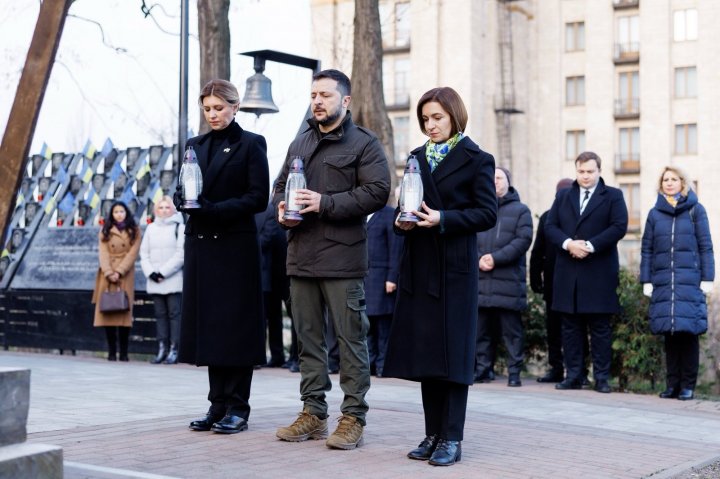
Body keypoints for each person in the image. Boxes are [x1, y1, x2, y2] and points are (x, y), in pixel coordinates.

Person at [273, 69, 390, 450]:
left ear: (346, 100)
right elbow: (280, 185)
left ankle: (353, 417)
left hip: (343, 259)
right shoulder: (301, 140)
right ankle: (314, 413)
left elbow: (378, 192)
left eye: (325, 94)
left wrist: (326, 203)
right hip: (301, 256)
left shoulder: (364, 143)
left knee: (351, 340)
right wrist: (280, 207)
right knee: (308, 341)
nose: (318, 101)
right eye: (313, 95)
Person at [384, 87, 497, 466]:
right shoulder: (416, 158)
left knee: (454, 356)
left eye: (437, 118)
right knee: (427, 353)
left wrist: (443, 219)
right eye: (426, 119)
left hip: (455, 270)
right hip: (419, 267)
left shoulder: (477, 158)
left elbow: (486, 213)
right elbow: (407, 206)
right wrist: (404, 220)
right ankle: (432, 433)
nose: (430, 125)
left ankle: (452, 437)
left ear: (454, 117)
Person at [176, 79, 269, 434]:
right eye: (207, 109)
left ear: (234, 106)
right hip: (202, 247)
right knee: (211, 329)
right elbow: (182, 187)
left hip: (234, 247)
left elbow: (257, 197)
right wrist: (181, 198)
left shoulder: (250, 143)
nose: (213, 115)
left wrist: (214, 210)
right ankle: (217, 404)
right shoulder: (194, 145)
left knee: (235, 329)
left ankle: (238, 408)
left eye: (219, 108)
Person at [545, 151, 628, 394]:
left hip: (599, 272)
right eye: (581, 172)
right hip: (568, 272)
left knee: (600, 329)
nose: (585, 176)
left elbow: (619, 226)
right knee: (570, 328)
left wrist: (590, 246)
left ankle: (601, 378)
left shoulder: (613, 195)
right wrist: (568, 244)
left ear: (599, 171)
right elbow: (550, 226)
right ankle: (574, 375)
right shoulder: (563, 196)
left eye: (590, 172)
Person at [640, 166, 714, 401]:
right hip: (663, 282)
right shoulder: (655, 214)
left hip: (689, 282)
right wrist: (646, 280)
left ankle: (687, 386)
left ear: (683, 183)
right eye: (665, 180)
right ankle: (672, 384)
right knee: (669, 335)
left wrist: (708, 278)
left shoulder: (696, 210)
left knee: (688, 334)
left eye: (674, 179)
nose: (669, 183)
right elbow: (647, 249)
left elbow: (706, 245)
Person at [475, 167, 533, 387]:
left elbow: (522, 240)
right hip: (481, 281)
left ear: (508, 181)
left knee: (512, 333)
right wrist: (479, 258)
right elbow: (468, 238)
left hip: (507, 282)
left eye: (499, 178)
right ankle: (483, 370)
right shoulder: (480, 209)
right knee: (480, 332)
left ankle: (514, 373)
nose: (495, 182)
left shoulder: (521, 211)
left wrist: (495, 258)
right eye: (491, 178)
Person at [530, 177, 574, 383]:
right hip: (552, 283)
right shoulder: (548, 217)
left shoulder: (578, 217)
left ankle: (576, 371)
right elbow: (537, 250)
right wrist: (534, 278)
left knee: (574, 328)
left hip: (574, 284)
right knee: (553, 328)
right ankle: (556, 368)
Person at [91, 201, 141, 362]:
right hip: (107, 275)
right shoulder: (105, 231)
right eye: (116, 212)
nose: (119, 214)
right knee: (108, 311)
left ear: (126, 213)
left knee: (123, 313)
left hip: (124, 274)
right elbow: (103, 253)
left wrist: (119, 271)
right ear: (111, 214)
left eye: (122, 211)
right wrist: (108, 272)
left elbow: (133, 253)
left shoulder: (134, 230)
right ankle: (112, 352)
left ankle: (124, 353)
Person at [140, 196, 185, 365]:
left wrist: (163, 272)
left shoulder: (179, 228)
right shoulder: (151, 228)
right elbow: (144, 254)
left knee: (174, 315)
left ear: (173, 209)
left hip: (172, 280)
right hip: (154, 281)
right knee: (160, 316)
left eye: (168, 207)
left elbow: (181, 255)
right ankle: (162, 348)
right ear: (156, 210)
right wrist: (151, 272)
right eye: (161, 207)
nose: (164, 210)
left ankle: (174, 349)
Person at [365, 205, 403, 378]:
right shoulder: (362, 214)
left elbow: (395, 248)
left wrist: (392, 277)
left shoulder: (387, 214)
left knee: (383, 328)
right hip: (365, 280)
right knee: (367, 327)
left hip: (382, 280)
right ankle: (370, 364)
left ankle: (383, 365)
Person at [255, 200, 289, 368]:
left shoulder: (269, 211)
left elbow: (267, 239)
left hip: (266, 275)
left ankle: (275, 355)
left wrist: (244, 246)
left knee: (270, 317)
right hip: (247, 274)